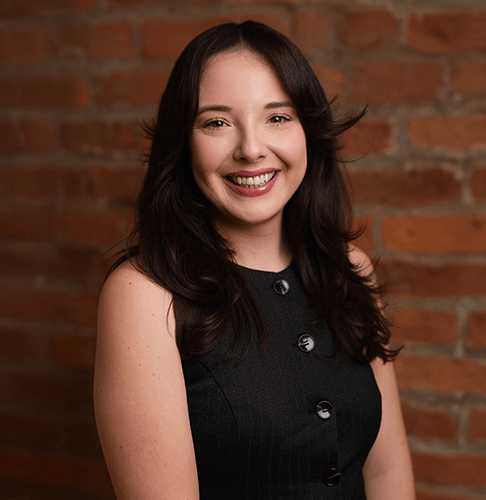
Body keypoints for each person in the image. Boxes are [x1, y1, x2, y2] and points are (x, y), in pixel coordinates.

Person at [94, 20, 415, 500]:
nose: (250, 149)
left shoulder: (350, 270)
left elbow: (388, 474)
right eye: (217, 122)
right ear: (184, 142)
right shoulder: (144, 295)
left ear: (308, 131)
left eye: (278, 117)